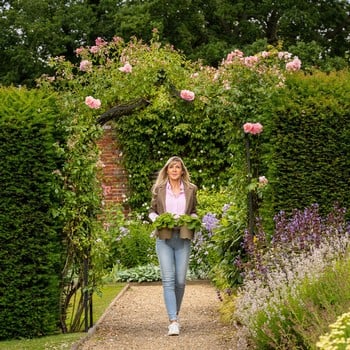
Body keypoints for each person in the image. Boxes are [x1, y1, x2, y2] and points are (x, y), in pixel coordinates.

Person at [149, 156, 198, 336]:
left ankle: (174, 314)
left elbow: (193, 211)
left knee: (180, 281)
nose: (175, 170)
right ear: (167, 171)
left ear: (182, 171)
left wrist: (193, 219)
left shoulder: (191, 190)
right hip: (164, 237)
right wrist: (157, 219)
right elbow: (152, 211)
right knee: (168, 280)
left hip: (183, 237)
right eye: (172, 167)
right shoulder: (159, 189)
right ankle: (173, 320)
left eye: (178, 167)